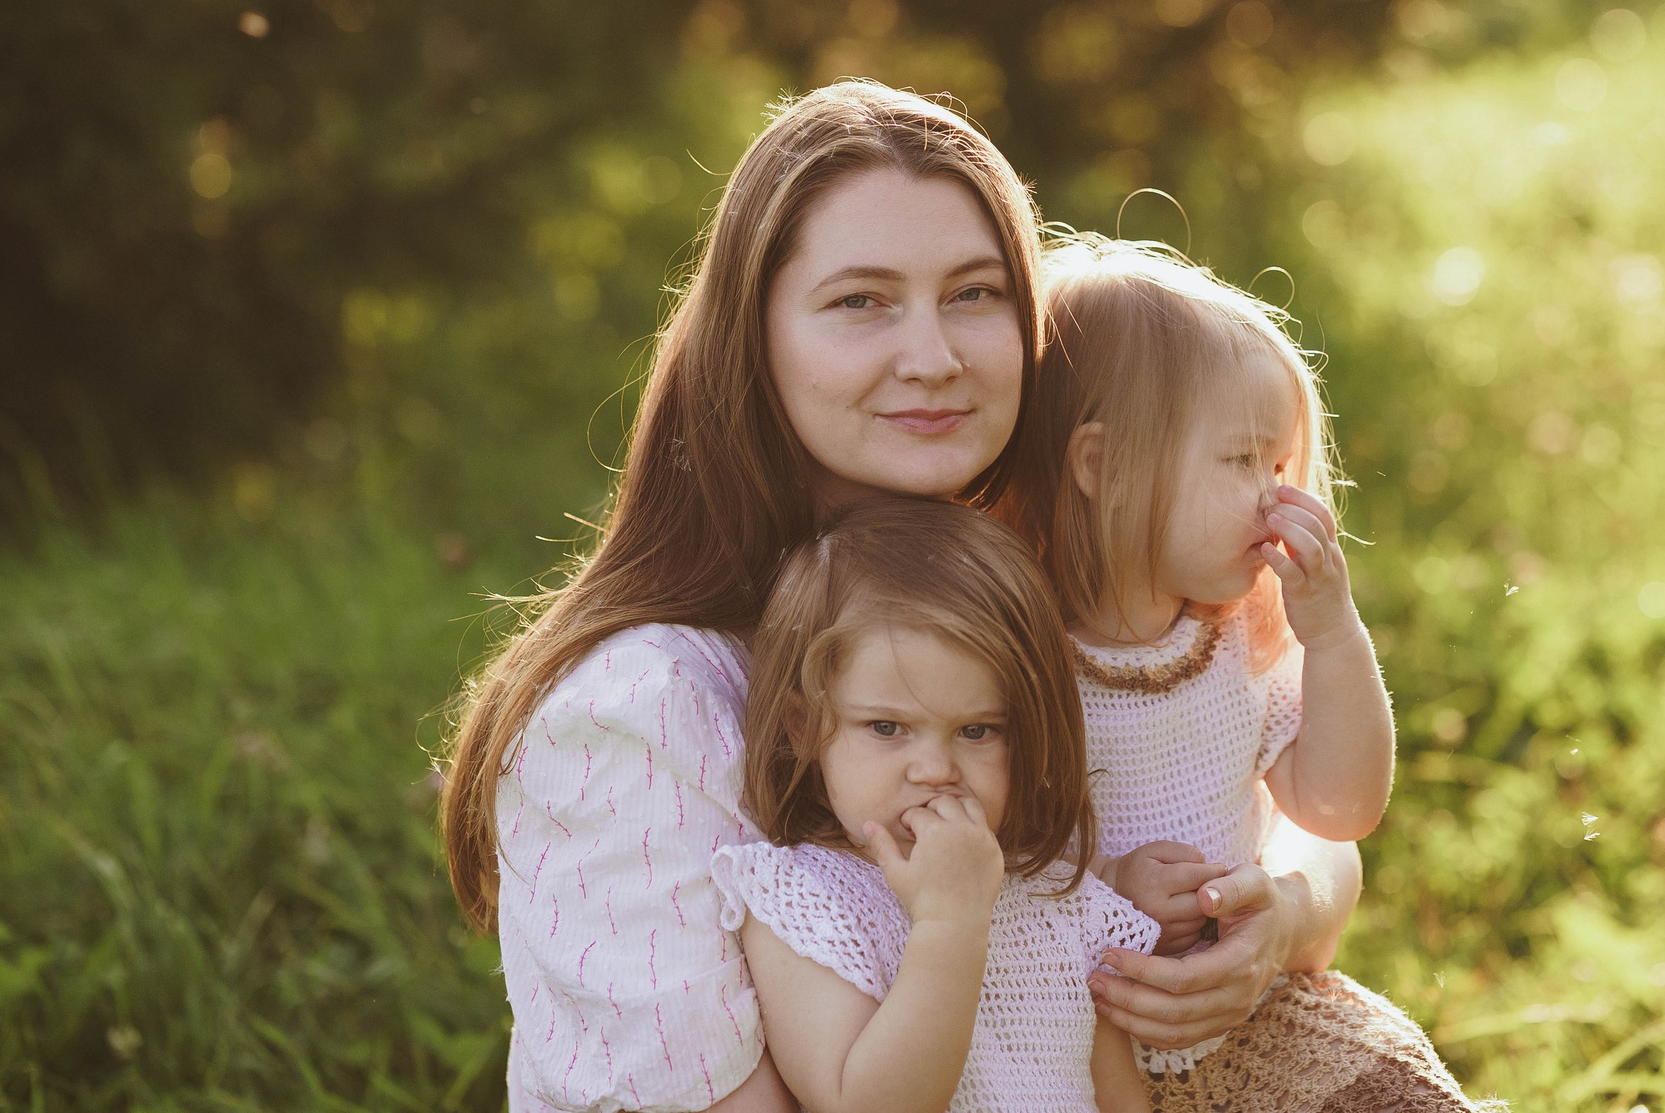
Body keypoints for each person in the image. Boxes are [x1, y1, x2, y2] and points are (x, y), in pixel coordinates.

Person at [438, 81, 1362, 1112]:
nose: (934, 358)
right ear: (755, 337)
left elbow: (1287, 809)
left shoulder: (1023, 595)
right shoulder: (639, 713)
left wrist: (1275, 913)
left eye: (975, 294)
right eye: (859, 302)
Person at [1007, 236, 1500, 1112]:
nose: (1277, 498)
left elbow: (1343, 807)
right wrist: (1110, 893)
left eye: (1279, 466)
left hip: (1257, 1015)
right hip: (1080, 1043)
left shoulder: (1233, 645)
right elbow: (993, 866)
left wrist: (1334, 634)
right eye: (1243, 462)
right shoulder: (1015, 662)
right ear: (1101, 467)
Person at [710, 496, 1155, 1113]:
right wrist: (950, 924)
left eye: (977, 731)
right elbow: (864, 1104)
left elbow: (1120, 1101)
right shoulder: (806, 901)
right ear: (804, 727)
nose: (935, 772)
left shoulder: (1061, 902)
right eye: (887, 728)